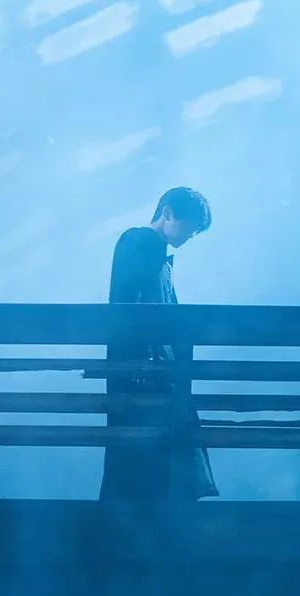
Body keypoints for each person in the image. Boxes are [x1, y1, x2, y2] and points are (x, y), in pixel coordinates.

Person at [99, 187, 219, 502]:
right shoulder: (137, 242)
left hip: (156, 366)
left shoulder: (158, 257)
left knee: (158, 448)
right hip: (142, 367)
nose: (190, 235)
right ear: (167, 213)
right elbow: (128, 305)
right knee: (144, 447)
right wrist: (138, 359)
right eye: (190, 226)